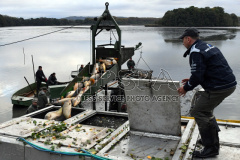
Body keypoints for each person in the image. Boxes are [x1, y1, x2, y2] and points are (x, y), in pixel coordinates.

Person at [177, 27, 237, 158]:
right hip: (227, 83)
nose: (182, 42)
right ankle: (209, 141)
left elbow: (198, 76)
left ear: (188, 39)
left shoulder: (196, 51)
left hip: (219, 87)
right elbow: (205, 70)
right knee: (206, 111)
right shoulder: (206, 46)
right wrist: (192, 79)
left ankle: (211, 148)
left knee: (199, 111)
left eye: (183, 39)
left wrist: (185, 88)